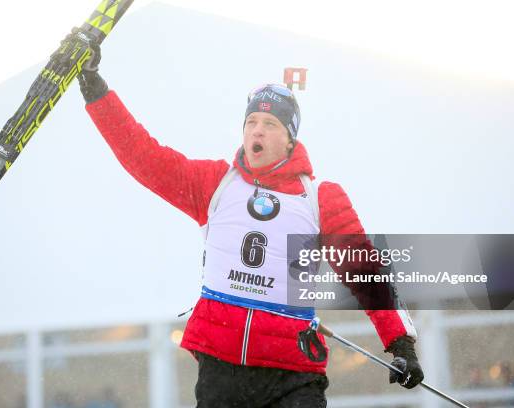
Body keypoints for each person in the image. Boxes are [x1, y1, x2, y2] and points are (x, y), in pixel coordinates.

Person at [76, 39, 424, 406]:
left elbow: (364, 271)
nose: (257, 130)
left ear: (291, 140)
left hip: (292, 374)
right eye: (251, 122)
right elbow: (142, 156)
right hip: (221, 371)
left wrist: (400, 343)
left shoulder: (320, 197)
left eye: (270, 124)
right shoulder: (214, 185)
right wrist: (94, 89)